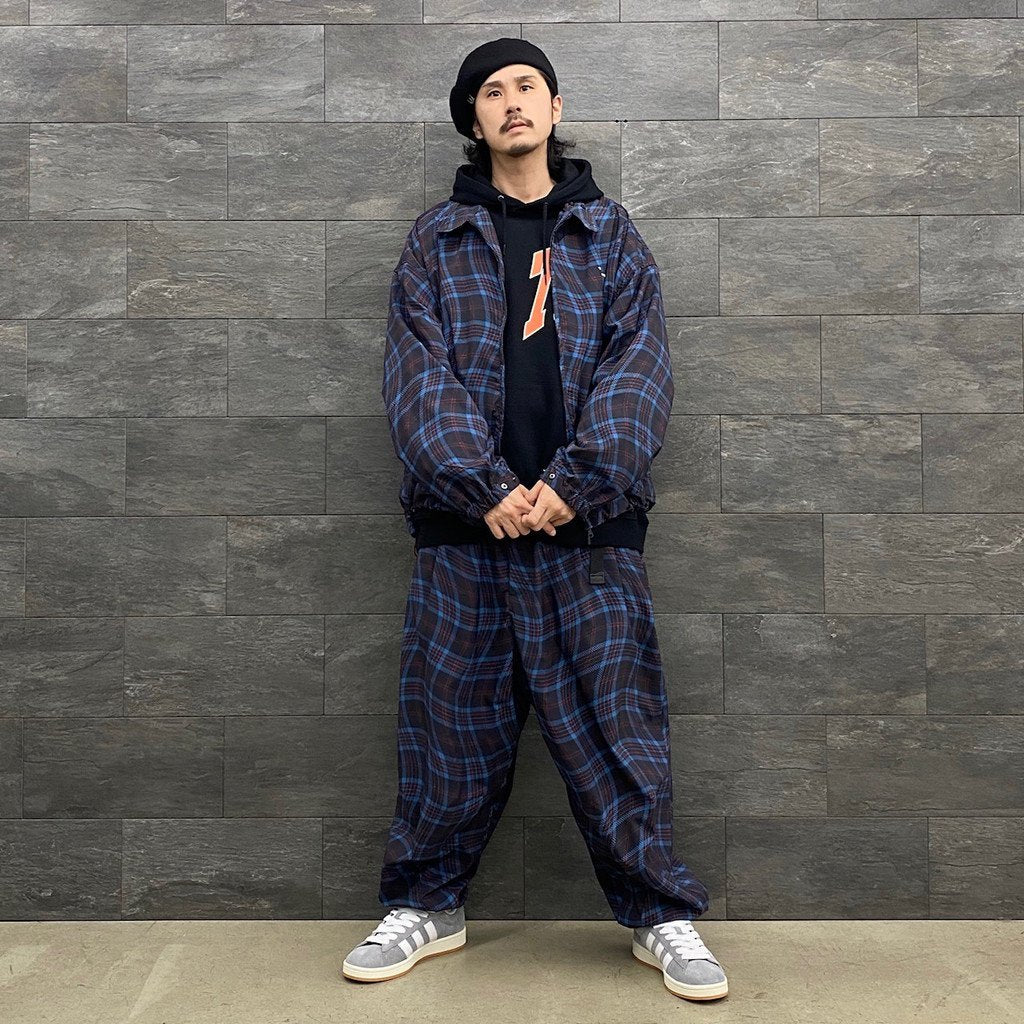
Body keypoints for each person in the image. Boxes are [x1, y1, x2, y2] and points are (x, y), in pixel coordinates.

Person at [342, 38, 728, 1003]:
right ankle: (427, 907)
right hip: (466, 536)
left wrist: (576, 482)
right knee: (447, 732)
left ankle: (658, 914)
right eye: (490, 91)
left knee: (619, 734)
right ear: (472, 121)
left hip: (586, 536)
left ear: (554, 108)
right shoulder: (436, 241)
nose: (510, 101)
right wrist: (483, 487)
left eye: (526, 86)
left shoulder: (611, 235)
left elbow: (642, 369)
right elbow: (415, 378)